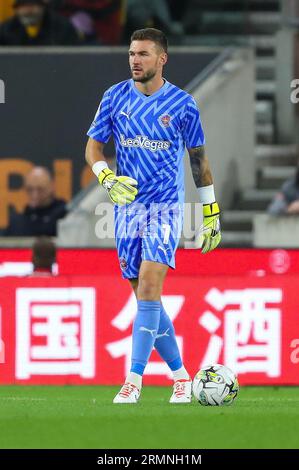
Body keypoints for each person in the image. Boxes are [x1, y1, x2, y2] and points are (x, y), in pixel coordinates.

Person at [85, 28, 221, 404]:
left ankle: (133, 380)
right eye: (131, 53)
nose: (134, 60)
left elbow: (199, 161)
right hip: (127, 208)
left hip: (165, 207)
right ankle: (181, 376)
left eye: (143, 54)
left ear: (162, 59)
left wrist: (210, 211)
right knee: (146, 298)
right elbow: (93, 147)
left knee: (148, 287)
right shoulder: (114, 97)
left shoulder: (182, 104)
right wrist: (106, 176)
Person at [5, 166, 67, 236]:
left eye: (40, 189)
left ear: (52, 186)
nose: (35, 195)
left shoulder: (66, 218)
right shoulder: (17, 223)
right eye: (30, 189)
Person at [0, 0, 80, 45]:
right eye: (23, 6)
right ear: (16, 10)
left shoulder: (62, 27)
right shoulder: (6, 29)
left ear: (42, 8)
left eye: (32, 5)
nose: (28, 11)